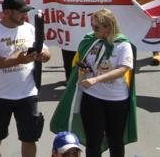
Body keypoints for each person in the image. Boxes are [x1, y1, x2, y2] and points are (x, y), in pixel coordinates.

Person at [51, 9, 138, 157]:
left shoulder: (123, 45)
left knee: (115, 140)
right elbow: (81, 62)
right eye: (92, 26)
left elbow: (123, 69)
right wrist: (82, 71)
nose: (93, 30)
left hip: (116, 100)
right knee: (93, 142)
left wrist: (96, 79)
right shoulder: (90, 41)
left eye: (97, 27)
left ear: (109, 26)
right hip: (92, 98)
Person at [0, 0, 51, 157]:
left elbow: (46, 50)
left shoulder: (29, 28)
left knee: (30, 137)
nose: (25, 15)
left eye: (26, 11)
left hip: (27, 94)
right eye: (21, 12)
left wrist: (44, 56)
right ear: (6, 13)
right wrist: (18, 60)